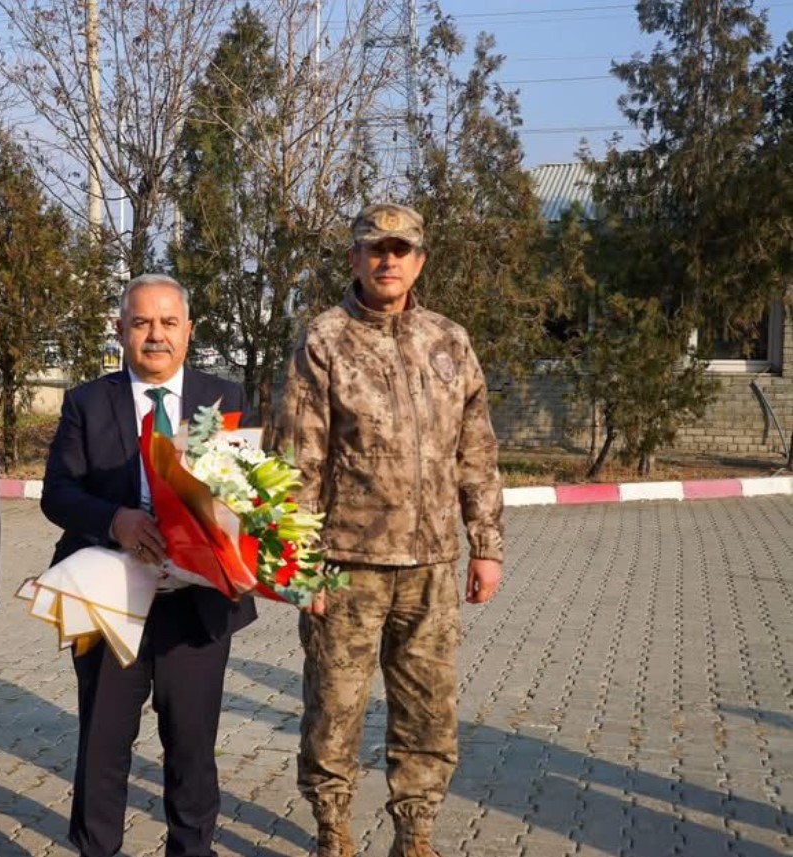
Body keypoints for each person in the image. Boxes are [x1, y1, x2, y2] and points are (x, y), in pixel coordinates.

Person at [276, 203, 504, 857]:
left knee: (429, 710)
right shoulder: (323, 339)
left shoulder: (449, 341)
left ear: (419, 261)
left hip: (431, 564)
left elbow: (477, 450)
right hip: (346, 566)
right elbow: (298, 459)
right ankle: (332, 826)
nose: (388, 259)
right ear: (354, 258)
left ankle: (416, 831)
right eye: (375, 248)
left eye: (401, 249)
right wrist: (299, 560)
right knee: (334, 707)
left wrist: (484, 545)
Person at [41, 273, 258, 857]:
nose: (155, 335)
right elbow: (57, 493)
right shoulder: (88, 401)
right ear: (120, 330)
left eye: (167, 323)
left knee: (191, 746)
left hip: (197, 602)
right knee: (104, 743)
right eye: (141, 322)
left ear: (189, 331)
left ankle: (192, 849)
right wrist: (117, 520)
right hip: (110, 594)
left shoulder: (225, 397)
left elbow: (250, 489)